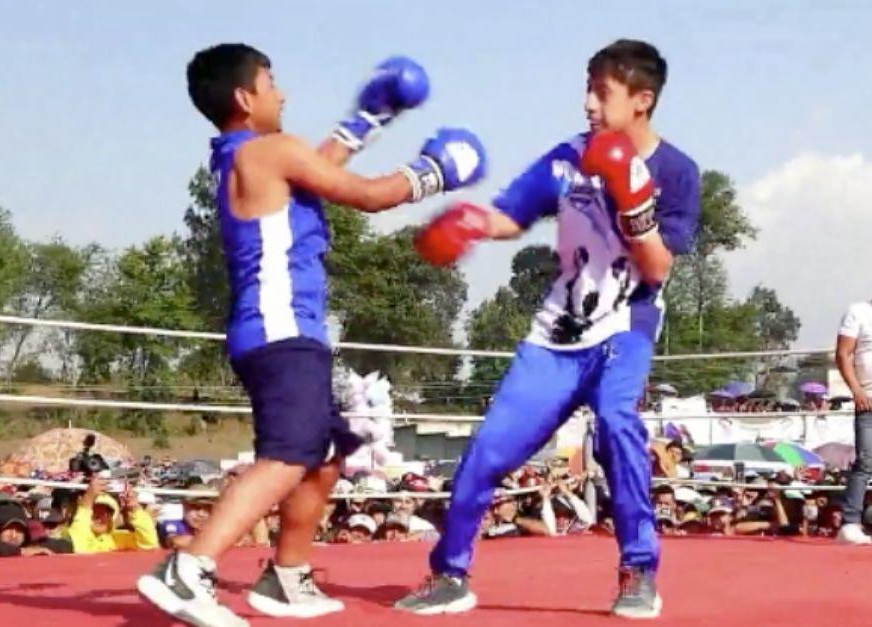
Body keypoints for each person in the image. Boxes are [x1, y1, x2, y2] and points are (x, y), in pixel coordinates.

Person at [137, 43, 486, 627]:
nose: (284, 93)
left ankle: (286, 576)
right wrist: (434, 174)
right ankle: (189, 569)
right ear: (247, 98)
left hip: (278, 332)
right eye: (272, 82)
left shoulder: (249, 155)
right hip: (282, 330)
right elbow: (370, 196)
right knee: (288, 454)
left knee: (326, 452)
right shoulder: (269, 151)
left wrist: (370, 118)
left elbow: (316, 171)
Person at [395, 39, 700, 620]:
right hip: (558, 329)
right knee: (486, 451)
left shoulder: (677, 172)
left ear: (642, 100)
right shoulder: (566, 157)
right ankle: (450, 573)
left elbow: (659, 268)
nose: (588, 103)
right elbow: (514, 215)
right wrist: (470, 223)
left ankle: (639, 572)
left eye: (602, 92)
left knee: (617, 424)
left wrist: (631, 196)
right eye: (586, 88)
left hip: (627, 323)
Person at [835, 299, 872, 544]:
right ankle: (849, 523)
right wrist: (857, 390)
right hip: (868, 399)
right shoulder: (858, 312)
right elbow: (843, 353)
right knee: (866, 461)